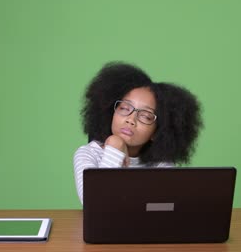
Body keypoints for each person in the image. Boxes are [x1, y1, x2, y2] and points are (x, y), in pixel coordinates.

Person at [73, 61, 203, 205]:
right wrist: (114, 147)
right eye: (124, 108)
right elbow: (95, 205)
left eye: (145, 116)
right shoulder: (88, 154)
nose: (131, 119)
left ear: (157, 132)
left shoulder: (161, 165)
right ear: (110, 113)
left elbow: (164, 208)